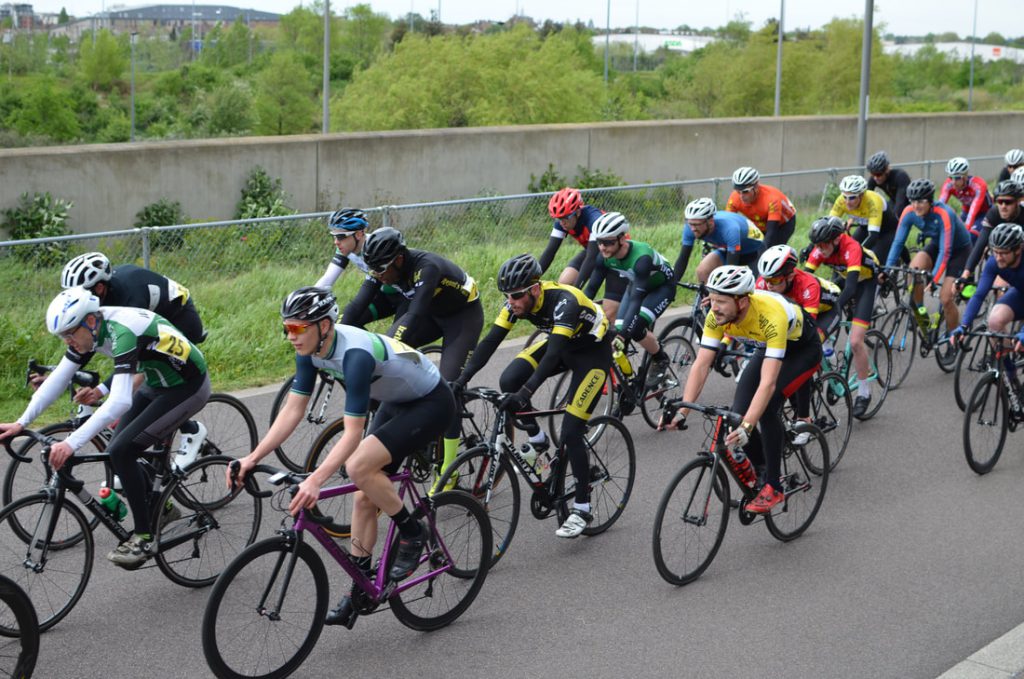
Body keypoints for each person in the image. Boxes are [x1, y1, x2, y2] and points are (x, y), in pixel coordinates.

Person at [231, 287, 454, 628]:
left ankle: (413, 532)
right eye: (287, 328)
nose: (291, 336)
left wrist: (316, 479)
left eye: (297, 329)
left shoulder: (355, 354)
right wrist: (251, 457)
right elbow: (293, 409)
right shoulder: (309, 349)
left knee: (358, 466)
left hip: (430, 401)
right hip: (395, 400)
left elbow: (352, 433)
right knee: (364, 496)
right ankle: (360, 590)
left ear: (324, 326)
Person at [0, 287, 211, 568]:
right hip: (156, 382)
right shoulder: (90, 332)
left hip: (188, 387)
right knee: (118, 447)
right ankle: (164, 509)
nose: (68, 341)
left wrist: (70, 443)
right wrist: (21, 421)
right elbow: (58, 379)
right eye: (63, 336)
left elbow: (120, 400)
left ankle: (144, 536)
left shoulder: (122, 331)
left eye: (70, 334)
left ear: (90, 321)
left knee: (122, 450)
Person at [451, 254, 612, 538]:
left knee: (571, 431)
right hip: (562, 346)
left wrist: (525, 394)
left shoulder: (565, 301)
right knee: (509, 380)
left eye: (515, 295)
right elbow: (490, 342)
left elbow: (551, 358)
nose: (510, 301)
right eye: (506, 296)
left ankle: (583, 507)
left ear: (535, 289)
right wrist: (461, 379)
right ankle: (538, 440)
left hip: (592, 354)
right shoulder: (515, 304)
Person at [658, 265, 821, 513]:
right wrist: (683, 410)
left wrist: (748, 426)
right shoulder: (716, 316)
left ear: (743, 302)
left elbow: (767, 383)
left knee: (766, 409)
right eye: (712, 299)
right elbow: (702, 364)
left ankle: (774, 487)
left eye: (721, 301)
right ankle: (762, 466)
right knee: (737, 413)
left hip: (801, 349)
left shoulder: (770, 316)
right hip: (764, 346)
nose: (714, 307)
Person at [340, 228, 483, 486]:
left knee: (449, 387)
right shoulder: (381, 268)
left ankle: (449, 470)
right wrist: (335, 336)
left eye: (382, 270)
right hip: (432, 314)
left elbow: (413, 316)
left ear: (398, 259)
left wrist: (388, 349)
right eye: (374, 271)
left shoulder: (426, 267)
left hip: (462, 319)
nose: (379, 276)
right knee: (383, 376)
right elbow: (357, 304)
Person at [60, 251, 208, 469]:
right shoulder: (96, 306)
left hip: (180, 317)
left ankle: (192, 431)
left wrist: (101, 390)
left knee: (152, 382)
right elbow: (86, 346)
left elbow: (133, 361)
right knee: (139, 391)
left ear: (100, 288)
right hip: (152, 321)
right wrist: (57, 377)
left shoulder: (128, 300)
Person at [756, 245, 840, 445]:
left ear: (790, 275)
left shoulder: (807, 285)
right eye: (766, 280)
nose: (768, 286)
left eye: (775, 281)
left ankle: (804, 419)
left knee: (803, 354)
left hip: (824, 313)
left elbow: (806, 331)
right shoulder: (765, 282)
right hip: (794, 318)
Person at [582, 212, 675, 388]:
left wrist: (624, 334)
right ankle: (629, 384)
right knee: (617, 330)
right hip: (636, 285)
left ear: (622, 239)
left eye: (608, 242)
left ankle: (660, 359)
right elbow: (591, 290)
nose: (602, 247)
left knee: (634, 327)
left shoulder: (641, 258)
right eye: (600, 242)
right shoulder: (604, 257)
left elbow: (636, 301)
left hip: (661, 288)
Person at [804, 217, 881, 417]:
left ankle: (864, 392)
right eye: (816, 245)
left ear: (836, 239)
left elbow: (852, 287)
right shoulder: (820, 249)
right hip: (845, 278)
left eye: (823, 245)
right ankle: (831, 361)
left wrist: (834, 310)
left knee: (855, 341)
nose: (819, 249)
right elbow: (803, 279)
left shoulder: (851, 247)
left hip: (865, 282)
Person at [884, 178, 973, 338]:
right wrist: (888, 269)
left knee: (945, 298)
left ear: (930, 201)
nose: (916, 206)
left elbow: (946, 252)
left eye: (921, 201)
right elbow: (898, 242)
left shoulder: (945, 213)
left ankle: (952, 338)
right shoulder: (909, 212)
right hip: (936, 244)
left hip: (959, 250)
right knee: (913, 271)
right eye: (912, 201)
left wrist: (934, 280)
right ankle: (921, 312)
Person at [537, 188, 626, 324]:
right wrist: (533, 278)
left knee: (609, 314)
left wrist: (577, 290)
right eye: (558, 219)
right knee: (563, 284)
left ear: (577, 212)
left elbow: (590, 259)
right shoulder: (563, 222)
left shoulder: (593, 220)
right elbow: (550, 251)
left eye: (565, 218)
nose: (562, 222)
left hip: (615, 254)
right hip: (594, 251)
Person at [314, 208, 401, 328]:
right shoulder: (346, 248)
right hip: (384, 295)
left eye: (340, 236)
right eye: (334, 236)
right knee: (346, 323)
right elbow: (328, 278)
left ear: (359, 234)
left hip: (405, 295)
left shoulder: (377, 246)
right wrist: (308, 299)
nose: (336, 242)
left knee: (398, 340)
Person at [950, 223, 1024, 355]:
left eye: (1004, 252)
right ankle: (1009, 373)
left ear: (1018, 249)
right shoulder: (994, 262)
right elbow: (979, 295)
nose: (998, 257)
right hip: (1020, 293)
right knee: (994, 321)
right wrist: (964, 325)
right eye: (996, 252)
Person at [674, 197, 765, 284]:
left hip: (754, 250)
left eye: (697, 224)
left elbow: (730, 268)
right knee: (702, 271)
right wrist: (672, 285)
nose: (693, 228)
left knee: (752, 287)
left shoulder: (730, 229)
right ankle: (707, 299)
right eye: (690, 224)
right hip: (727, 249)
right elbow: (683, 258)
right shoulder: (690, 228)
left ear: (710, 222)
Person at [960, 180, 1024, 282]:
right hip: (1004, 257)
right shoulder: (993, 213)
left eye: (1008, 202)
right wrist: (966, 273)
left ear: (1018, 201)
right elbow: (980, 244)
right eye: (999, 202)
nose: (1003, 206)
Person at [830, 174, 900, 261]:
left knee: (874, 261)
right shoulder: (841, 200)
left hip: (887, 231)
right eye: (845, 197)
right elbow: (828, 225)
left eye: (852, 198)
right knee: (846, 252)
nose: (847, 202)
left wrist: (856, 253)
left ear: (861, 195)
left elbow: (873, 236)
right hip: (865, 228)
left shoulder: (873, 201)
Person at [725, 166, 798, 248]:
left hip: (783, 223)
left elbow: (771, 232)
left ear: (756, 187)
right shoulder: (734, 198)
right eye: (738, 191)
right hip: (760, 222)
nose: (741, 196)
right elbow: (727, 225)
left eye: (745, 192)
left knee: (772, 250)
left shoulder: (771, 198)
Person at [939, 157, 992, 239]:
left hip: (984, 212)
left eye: (957, 178)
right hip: (966, 212)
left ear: (965, 176)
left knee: (971, 236)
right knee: (950, 234)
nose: (953, 182)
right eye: (950, 177)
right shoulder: (949, 184)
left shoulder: (978, 185)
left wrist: (966, 229)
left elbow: (973, 211)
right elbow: (939, 206)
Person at [866, 150, 912, 218]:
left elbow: (901, 203)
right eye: (872, 174)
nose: (875, 178)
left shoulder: (900, 176)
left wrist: (894, 219)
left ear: (887, 169)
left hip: (910, 203)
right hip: (893, 202)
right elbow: (866, 198)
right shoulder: (873, 179)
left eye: (879, 174)